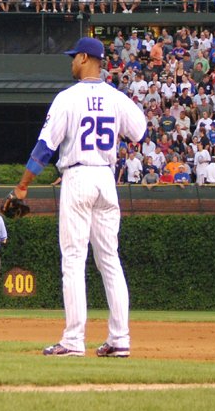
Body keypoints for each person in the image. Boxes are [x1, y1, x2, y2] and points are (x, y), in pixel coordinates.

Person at [10, 36, 147, 357]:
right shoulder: (116, 97)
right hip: (105, 178)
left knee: (73, 260)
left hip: (78, 177)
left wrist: (23, 185)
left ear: (85, 58)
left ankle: (73, 341)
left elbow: (44, 148)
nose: (71, 62)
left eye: (74, 57)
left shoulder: (67, 98)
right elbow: (140, 132)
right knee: (109, 261)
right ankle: (120, 339)